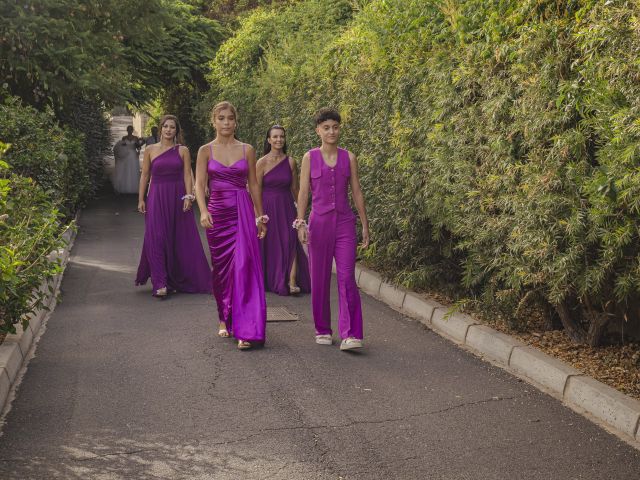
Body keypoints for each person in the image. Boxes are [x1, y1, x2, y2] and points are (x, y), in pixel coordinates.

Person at [295, 108, 370, 351]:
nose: (331, 131)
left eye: (335, 127)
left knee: (347, 277)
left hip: (345, 224)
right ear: (318, 130)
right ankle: (323, 329)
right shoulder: (309, 157)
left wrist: (365, 225)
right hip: (318, 224)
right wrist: (301, 223)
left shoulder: (349, 157)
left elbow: (357, 191)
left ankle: (351, 334)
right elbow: (304, 192)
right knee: (319, 278)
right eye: (326, 127)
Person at [195, 101, 267, 350]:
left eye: (230, 119)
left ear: (236, 122)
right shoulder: (205, 150)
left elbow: (254, 185)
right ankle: (223, 316)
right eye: (221, 118)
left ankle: (244, 327)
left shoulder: (247, 149)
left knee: (243, 267)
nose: (226, 123)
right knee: (221, 269)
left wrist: (260, 216)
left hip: (242, 211)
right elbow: (198, 184)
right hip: (217, 213)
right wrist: (203, 210)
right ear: (213, 121)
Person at [135, 115, 211, 297]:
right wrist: (140, 199)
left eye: (172, 127)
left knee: (178, 237)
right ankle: (160, 282)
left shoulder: (182, 150)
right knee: (157, 236)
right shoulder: (150, 150)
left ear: (177, 131)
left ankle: (176, 276)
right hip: (157, 196)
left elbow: (187, 174)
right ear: (160, 128)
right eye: (166, 126)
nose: (169, 130)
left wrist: (188, 195)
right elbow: (145, 175)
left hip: (178, 197)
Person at [257, 125, 311, 296]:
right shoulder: (261, 162)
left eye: (281, 136)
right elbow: (255, 190)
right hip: (267, 208)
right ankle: (271, 278)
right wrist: (258, 215)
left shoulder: (291, 162)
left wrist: (301, 213)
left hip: (286, 206)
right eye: (275, 137)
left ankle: (292, 280)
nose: (279, 139)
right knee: (270, 243)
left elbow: (295, 189)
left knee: (290, 241)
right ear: (269, 140)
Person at [113, 125, 142, 194]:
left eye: (131, 129)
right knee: (125, 170)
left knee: (133, 170)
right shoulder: (124, 138)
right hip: (125, 156)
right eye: (128, 129)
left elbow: (138, 147)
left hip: (133, 155)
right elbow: (121, 147)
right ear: (127, 130)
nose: (129, 130)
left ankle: (134, 187)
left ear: (132, 130)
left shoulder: (136, 138)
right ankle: (125, 186)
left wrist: (138, 152)